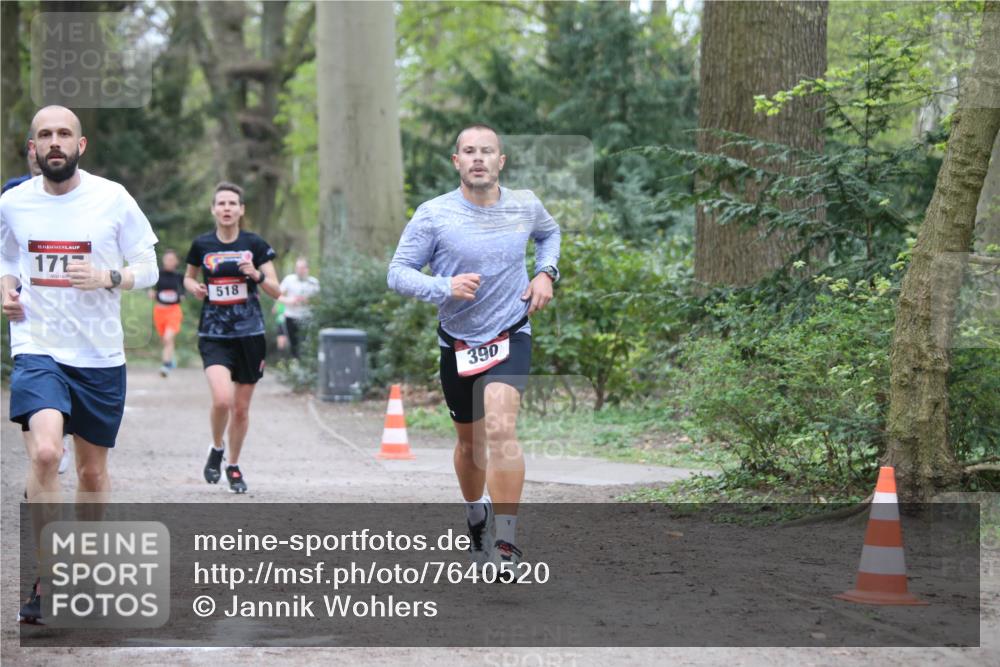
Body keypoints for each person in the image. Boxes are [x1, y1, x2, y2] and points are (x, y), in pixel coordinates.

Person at [1, 105, 159, 623]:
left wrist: (110, 277)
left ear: (80, 145)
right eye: (44, 134)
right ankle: (48, 577)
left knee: (92, 474)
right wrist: (5, 287)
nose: (54, 142)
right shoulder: (14, 203)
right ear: (32, 147)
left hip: (97, 355)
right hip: (37, 346)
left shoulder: (111, 198)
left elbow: (149, 267)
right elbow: (4, 261)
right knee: (46, 454)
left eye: (63, 134)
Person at [387, 124, 560, 576]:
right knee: (470, 445)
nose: (478, 158)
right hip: (459, 343)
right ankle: (475, 509)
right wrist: (443, 286)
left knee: (501, 430)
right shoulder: (433, 215)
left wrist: (546, 273)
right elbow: (398, 272)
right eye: (469, 151)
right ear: (457, 162)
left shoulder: (524, 204)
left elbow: (550, 234)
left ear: (501, 161)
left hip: (511, 332)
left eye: (487, 151)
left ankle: (506, 542)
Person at [184, 182, 279, 494]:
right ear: (213, 209)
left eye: (232, 203)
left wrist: (256, 274)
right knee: (222, 399)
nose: (226, 208)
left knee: (240, 409)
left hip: (249, 334)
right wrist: (193, 288)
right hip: (214, 333)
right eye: (221, 203)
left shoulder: (255, 244)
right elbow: (189, 276)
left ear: (241, 210)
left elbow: (276, 290)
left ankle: (233, 465)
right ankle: (216, 446)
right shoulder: (202, 244)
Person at [149, 249, 185, 376]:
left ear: (176, 261)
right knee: (165, 340)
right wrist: (152, 294)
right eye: (167, 259)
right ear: (163, 260)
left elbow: (183, 292)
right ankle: (171, 359)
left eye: (172, 259)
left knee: (168, 337)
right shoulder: (157, 275)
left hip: (174, 310)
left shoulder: (180, 276)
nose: (169, 261)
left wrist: (181, 296)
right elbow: (152, 290)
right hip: (159, 311)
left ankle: (166, 365)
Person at [278, 256, 320, 358]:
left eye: (302, 268)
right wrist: (290, 300)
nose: (300, 270)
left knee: (305, 342)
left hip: (307, 317)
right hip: (290, 316)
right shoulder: (289, 280)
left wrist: (308, 301)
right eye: (298, 268)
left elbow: (319, 301)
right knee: (293, 343)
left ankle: (304, 365)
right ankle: (294, 363)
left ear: (307, 269)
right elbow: (278, 295)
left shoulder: (314, 282)